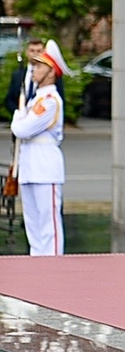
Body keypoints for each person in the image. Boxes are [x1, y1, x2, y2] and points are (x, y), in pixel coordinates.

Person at [10, 40, 66, 256]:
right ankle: (37, 266)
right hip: (30, 167)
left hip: (45, 167)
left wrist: (18, 118)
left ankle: (53, 269)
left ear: (51, 72)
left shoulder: (50, 101)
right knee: (33, 226)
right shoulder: (36, 100)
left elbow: (22, 129)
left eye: (40, 66)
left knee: (48, 226)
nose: (34, 69)